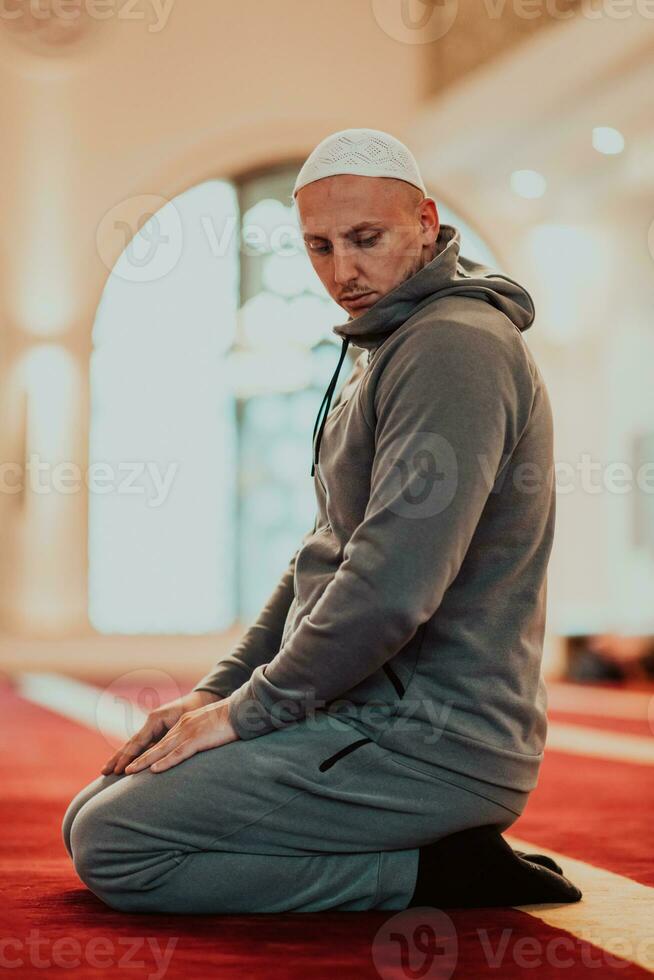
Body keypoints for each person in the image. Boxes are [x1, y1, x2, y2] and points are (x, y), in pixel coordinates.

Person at [62, 127, 582, 913]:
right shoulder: (390, 346)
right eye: (319, 246)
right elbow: (325, 553)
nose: (344, 270)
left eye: (366, 238)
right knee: (88, 814)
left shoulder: (453, 349)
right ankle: (419, 852)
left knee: (121, 846)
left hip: (431, 742)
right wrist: (214, 695)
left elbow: (389, 587)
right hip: (363, 717)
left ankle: (435, 873)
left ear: (426, 221)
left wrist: (251, 713)